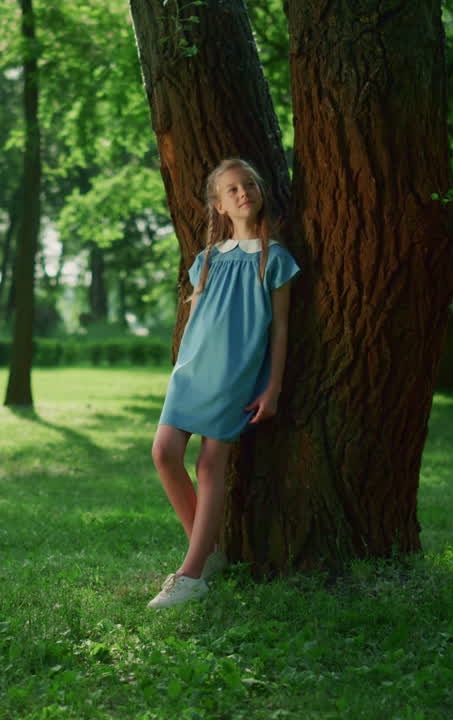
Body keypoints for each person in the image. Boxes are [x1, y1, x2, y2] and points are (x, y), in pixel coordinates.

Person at [147, 158, 299, 609]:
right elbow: (194, 322)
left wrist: (271, 389)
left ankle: (191, 575)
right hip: (191, 373)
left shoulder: (277, 260)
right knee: (163, 453)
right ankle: (208, 552)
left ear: (260, 192)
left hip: (236, 374)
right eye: (231, 189)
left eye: (248, 184)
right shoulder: (207, 260)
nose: (242, 193)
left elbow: (281, 331)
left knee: (211, 465)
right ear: (218, 205)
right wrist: (180, 370)